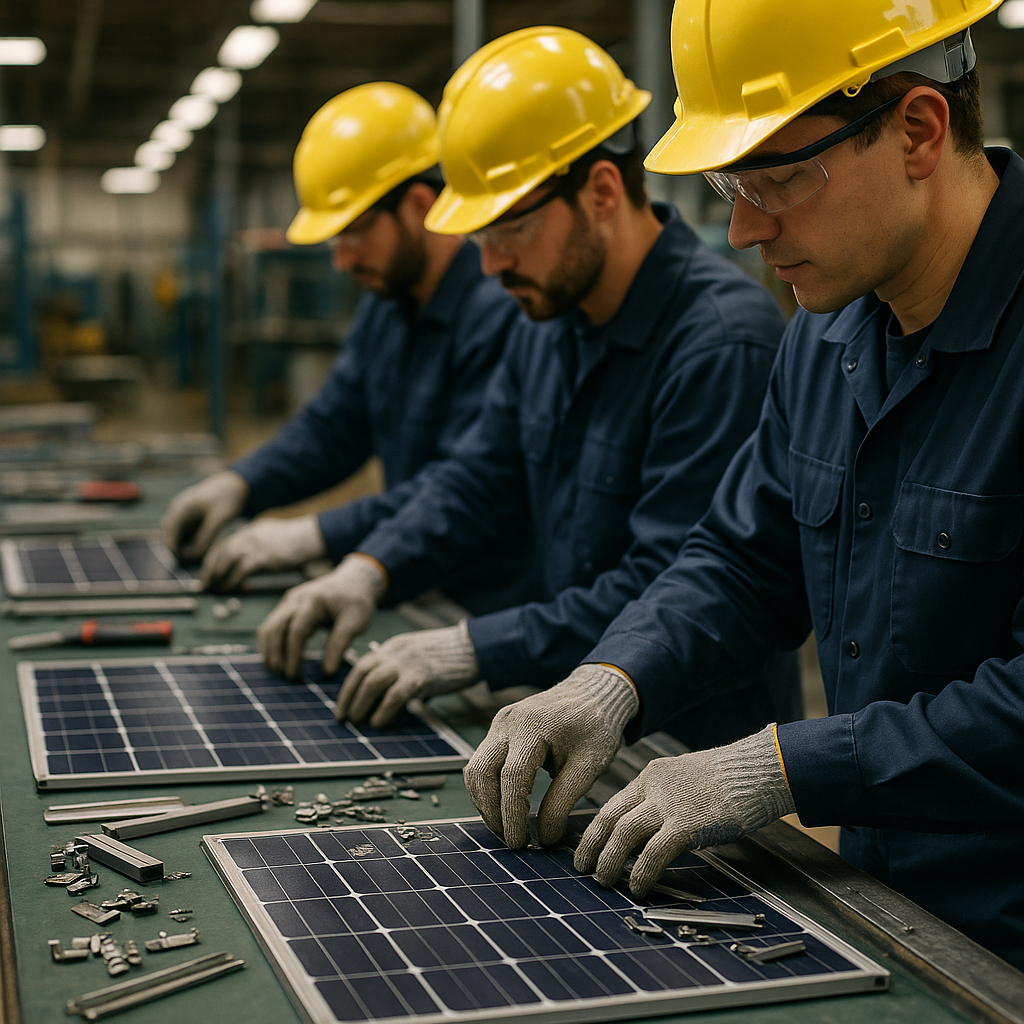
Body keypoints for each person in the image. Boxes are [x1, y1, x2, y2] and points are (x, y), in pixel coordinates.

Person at [461, 0, 1024, 968]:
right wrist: (611, 680)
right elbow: (740, 557)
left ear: (919, 130)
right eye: (728, 181)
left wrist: (781, 766)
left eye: (774, 177)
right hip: (894, 910)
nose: (742, 227)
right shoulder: (827, 329)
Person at [258, 27, 797, 751]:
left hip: (682, 746)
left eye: (509, 227)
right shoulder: (548, 317)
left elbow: (666, 580)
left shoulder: (720, 340)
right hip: (562, 716)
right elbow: (478, 479)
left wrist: (474, 647)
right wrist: (369, 567)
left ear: (603, 190)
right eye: (479, 236)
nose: (490, 266)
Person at [161, 83, 521, 604]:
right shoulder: (388, 304)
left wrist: (313, 535)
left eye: (353, 234)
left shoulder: (502, 313)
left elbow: (465, 483)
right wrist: (241, 484)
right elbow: (335, 425)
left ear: (420, 204)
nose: (342, 260)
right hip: (412, 581)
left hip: (487, 603)